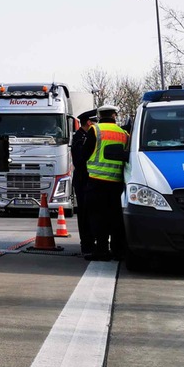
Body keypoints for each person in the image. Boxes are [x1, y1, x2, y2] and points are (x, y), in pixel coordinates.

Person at [83, 104, 129, 261]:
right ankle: (117, 250)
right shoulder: (124, 133)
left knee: (98, 217)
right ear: (114, 115)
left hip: (97, 181)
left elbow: (84, 154)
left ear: (100, 115)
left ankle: (101, 250)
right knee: (116, 217)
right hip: (117, 183)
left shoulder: (95, 130)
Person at [71, 110, 97, 256]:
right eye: (95, 122)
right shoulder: (80, 138)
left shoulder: (85, 136)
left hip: (87, 181)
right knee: (85, 214)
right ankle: (87, 245)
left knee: (90, 213)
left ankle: (90, 242)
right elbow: (81, 161)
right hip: (83, 181)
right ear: (89, 122)